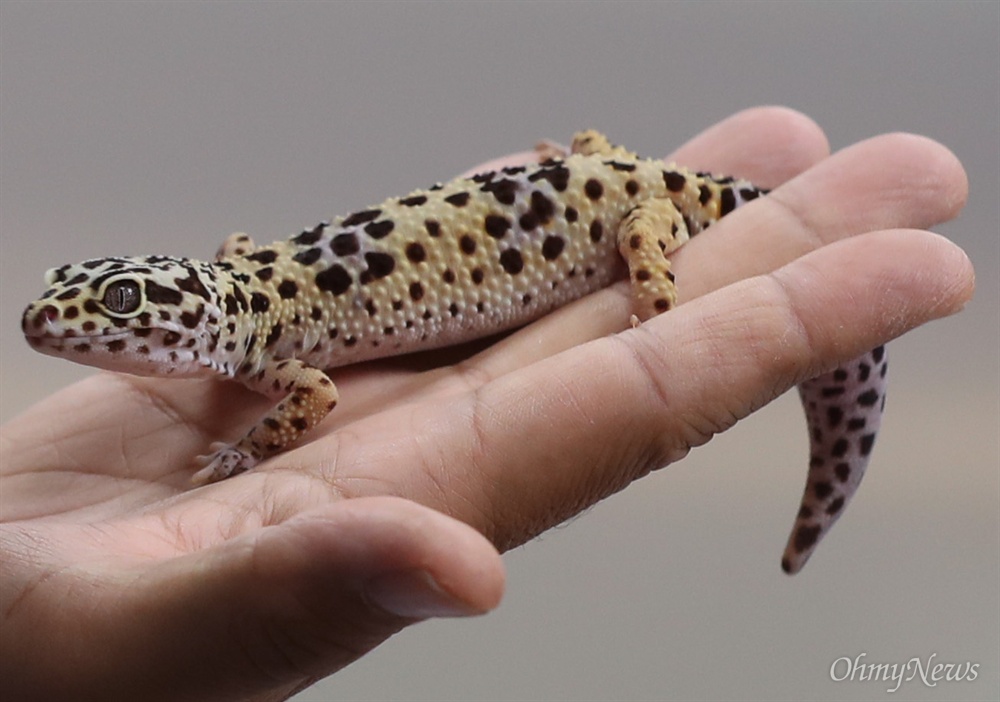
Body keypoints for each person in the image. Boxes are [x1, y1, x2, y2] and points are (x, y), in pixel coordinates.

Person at [0, 107, 974, 701]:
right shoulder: (250, 304)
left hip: (629, 205)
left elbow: (316, 393)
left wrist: (247, 455)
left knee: (660, 296)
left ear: (185, 310)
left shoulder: (271, 347)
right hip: (592, 190)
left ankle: (655, 275)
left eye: (118, 308)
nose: (77, 325)